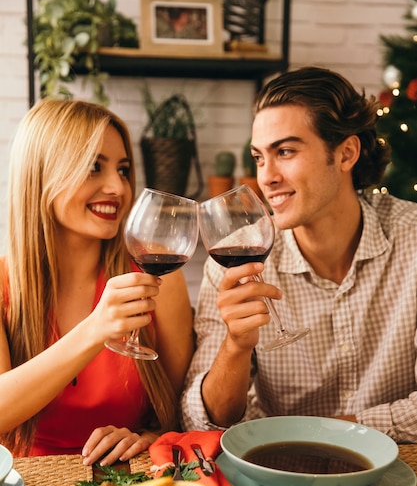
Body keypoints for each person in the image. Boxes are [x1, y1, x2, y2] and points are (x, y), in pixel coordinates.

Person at [181, 65, 417, 443]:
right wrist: (236, 346)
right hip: (277, 482)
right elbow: (201, 422)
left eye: (285, 151)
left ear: (346, 153)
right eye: (259, 158)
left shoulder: (413, 241)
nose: (266, 177)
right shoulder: (235, 262)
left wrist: (328, 434)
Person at [0, 99, 194, 465]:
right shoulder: (3, 284)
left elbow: (181, 412)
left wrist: (146, 437)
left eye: (122, 170)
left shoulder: (156, 279)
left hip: (125, 483)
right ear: (40, 175)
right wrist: (95, 330)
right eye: (94, 167)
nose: (118, 188)